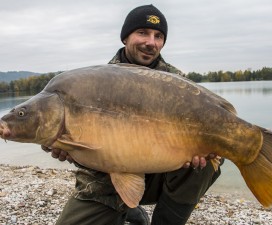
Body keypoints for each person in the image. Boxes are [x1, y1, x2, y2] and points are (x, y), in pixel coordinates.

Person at [43, 5, 223, 225]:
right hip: (106, 179)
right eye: (142, 32)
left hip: (161, 171)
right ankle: (129, 210)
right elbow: (92, 150)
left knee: (208, 160)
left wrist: (201, 152)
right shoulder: (95, 83)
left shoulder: (177, 83)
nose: (151, 42)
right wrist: (69, 150)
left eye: (158, 36)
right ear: (125, 38)